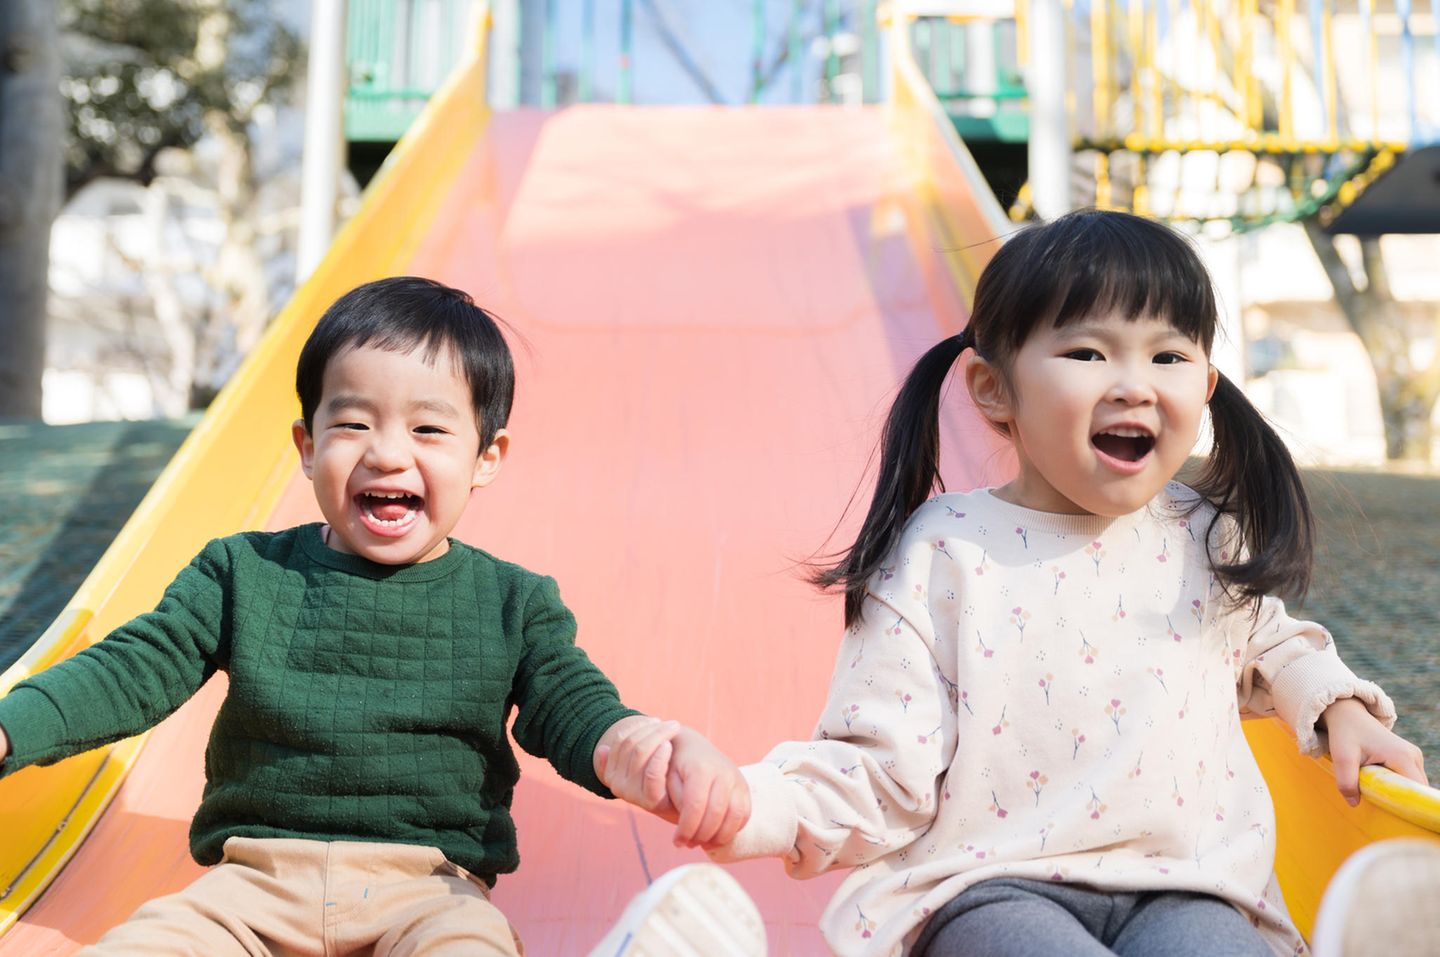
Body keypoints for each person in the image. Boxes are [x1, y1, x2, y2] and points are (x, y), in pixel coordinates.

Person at [609, 210, 1429, 956]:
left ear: (1205, 387)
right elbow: (879, 766)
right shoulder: (946, 553)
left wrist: (1338, 704)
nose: (1135, 382)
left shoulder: (1203, 533)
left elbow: (1269, 642)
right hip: (990, 886)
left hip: (1193, 884)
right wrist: (746, 801)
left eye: (1169, 355)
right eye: (1087, 352)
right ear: (994, 390)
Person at [0, 276, 749, 956]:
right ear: (308, 443)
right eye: (354, 423)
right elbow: (131, 668)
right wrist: (12, 722)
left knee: (470, 949)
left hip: (429, 889)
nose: (388, 454)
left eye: (428, 430)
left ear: (487, 455)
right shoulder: (242, 573)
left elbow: (574, 704)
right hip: (249, 885)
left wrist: (645, 750)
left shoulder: (511, 604)